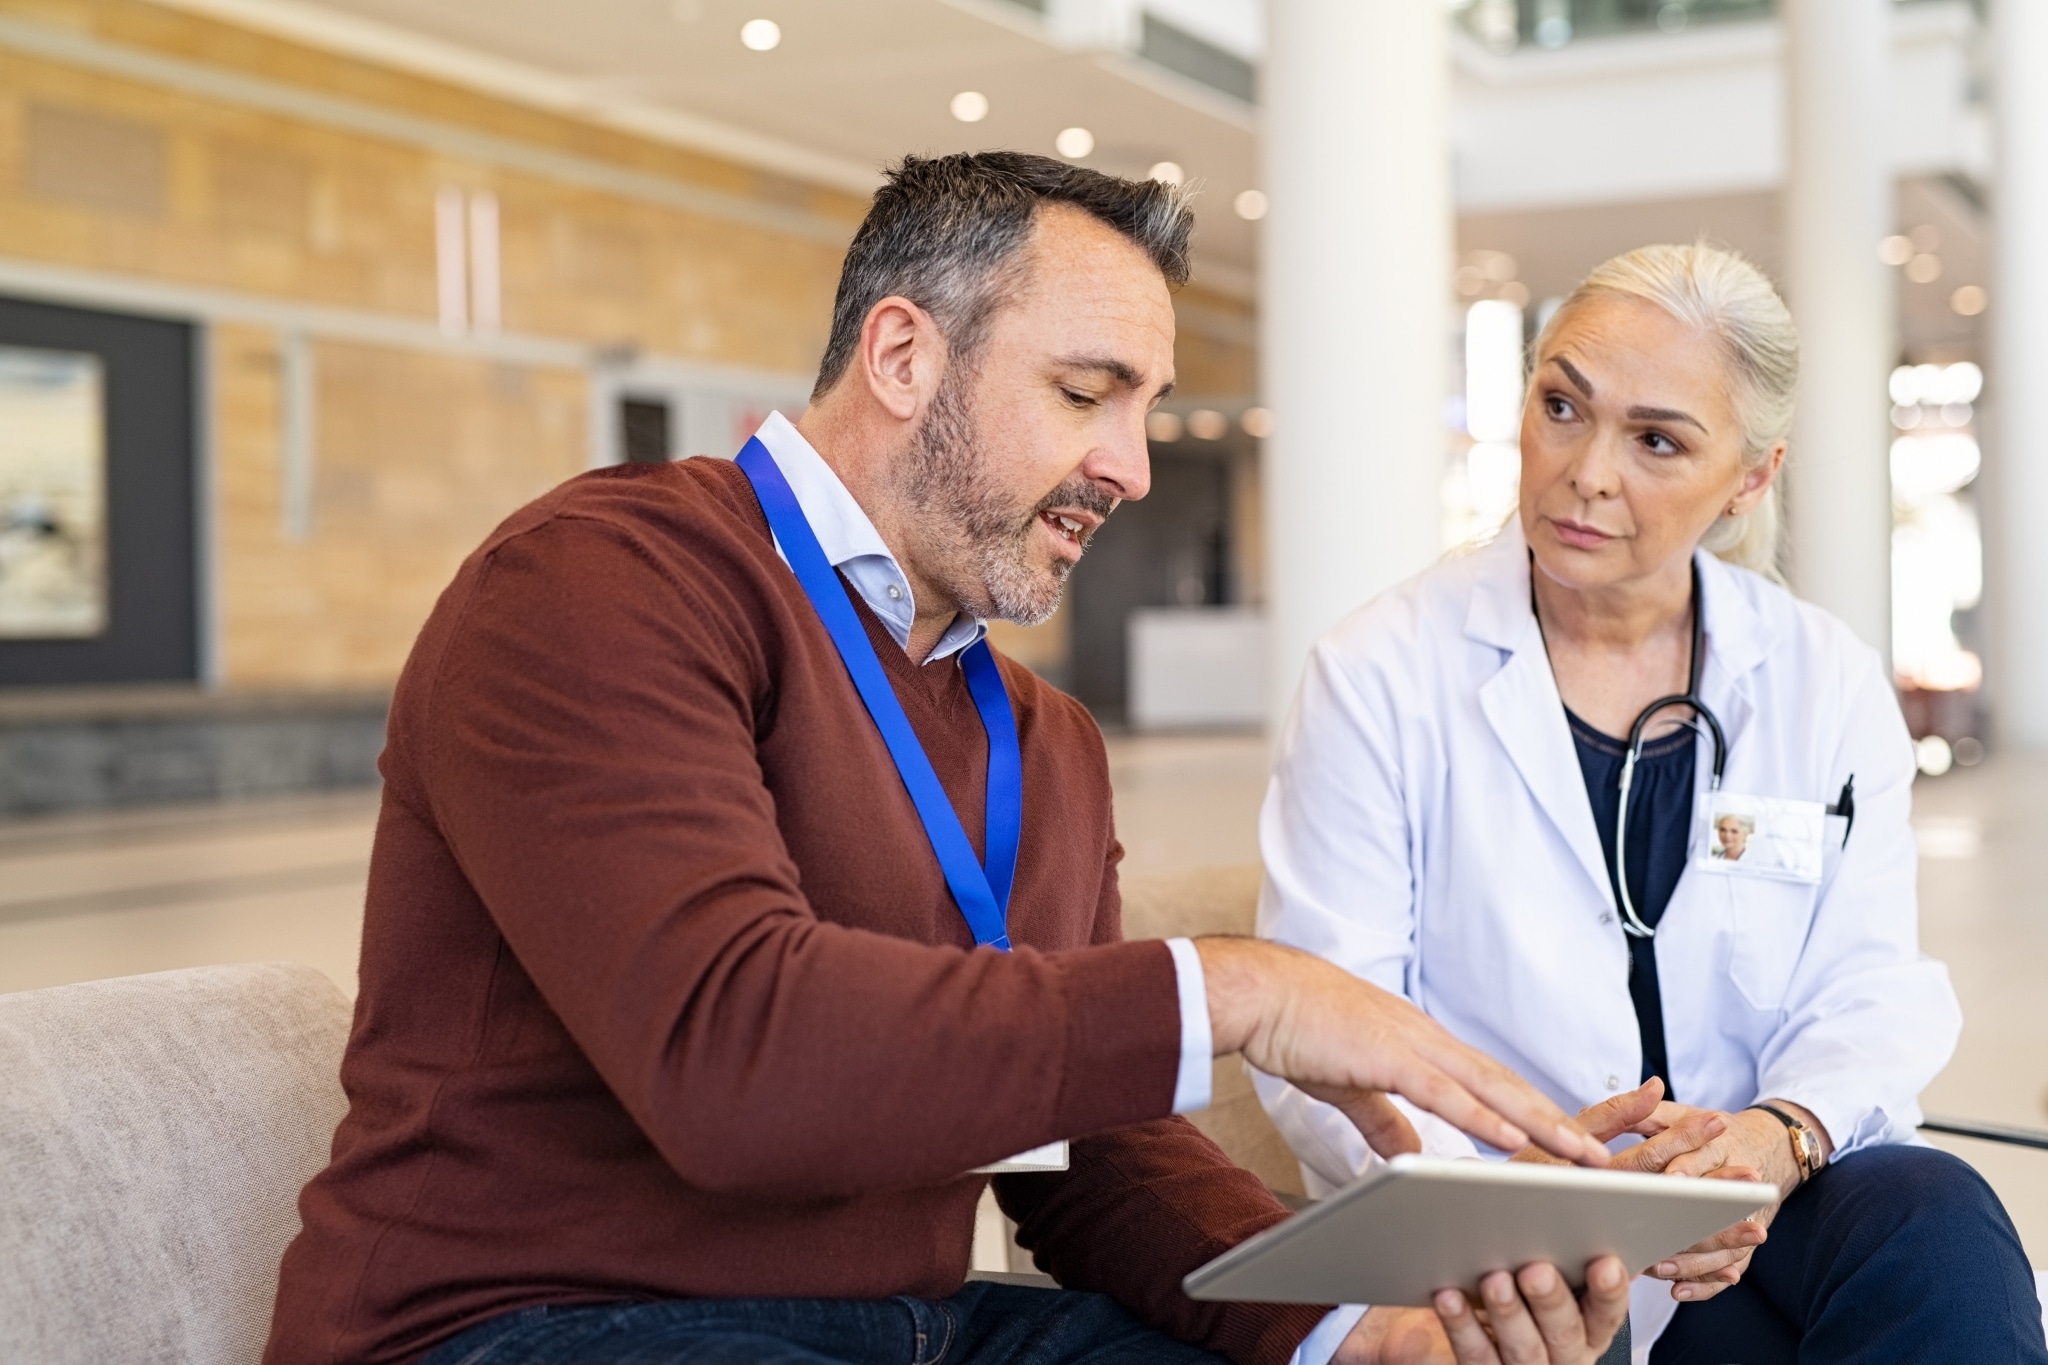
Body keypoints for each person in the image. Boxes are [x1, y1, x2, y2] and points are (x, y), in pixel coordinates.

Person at [261, 154, 1636, 1365]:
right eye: (1085, 393)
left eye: (1143, 408)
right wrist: (1238, 988)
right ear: (903, 356)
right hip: (533, 1321)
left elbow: (1084, 1149)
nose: (1130, 466)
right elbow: (729, 1058)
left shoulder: (1041, 738)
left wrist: (1348, 1334)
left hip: (905, 1325)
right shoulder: (602, 582)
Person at [1255, 243, 2048, 1364]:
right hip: (1500, 1243)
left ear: (1750, 479)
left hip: (1751, 1223)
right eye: (1561, 406)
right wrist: (1523, 1200)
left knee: (1935, 1215)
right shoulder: (1380, 673)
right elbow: (1325, 1030)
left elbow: (1868, 986)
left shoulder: (1819, 676)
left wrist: (1775, 1137)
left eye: (1657, 440)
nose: (1585, 472)